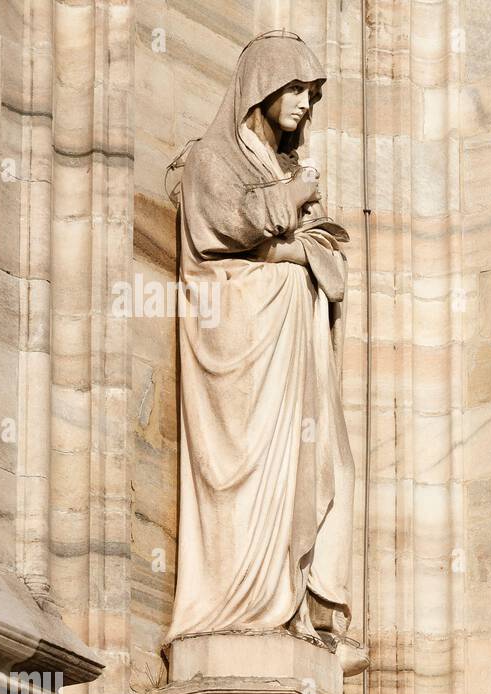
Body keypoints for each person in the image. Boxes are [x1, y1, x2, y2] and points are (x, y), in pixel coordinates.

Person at [165, 32, 354, 645]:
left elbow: (330, 254)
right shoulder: (211, 160)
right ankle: (243, 605)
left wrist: (292, 246)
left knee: (329, 464)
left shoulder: (289, 166)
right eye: (294, 89)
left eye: (311, 94)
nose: (303, 104)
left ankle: (303, 606)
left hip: (294, 356)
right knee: (247, 479)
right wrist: (294, 210)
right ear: (261, 90)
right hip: (244, 352)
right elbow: (227, 229)